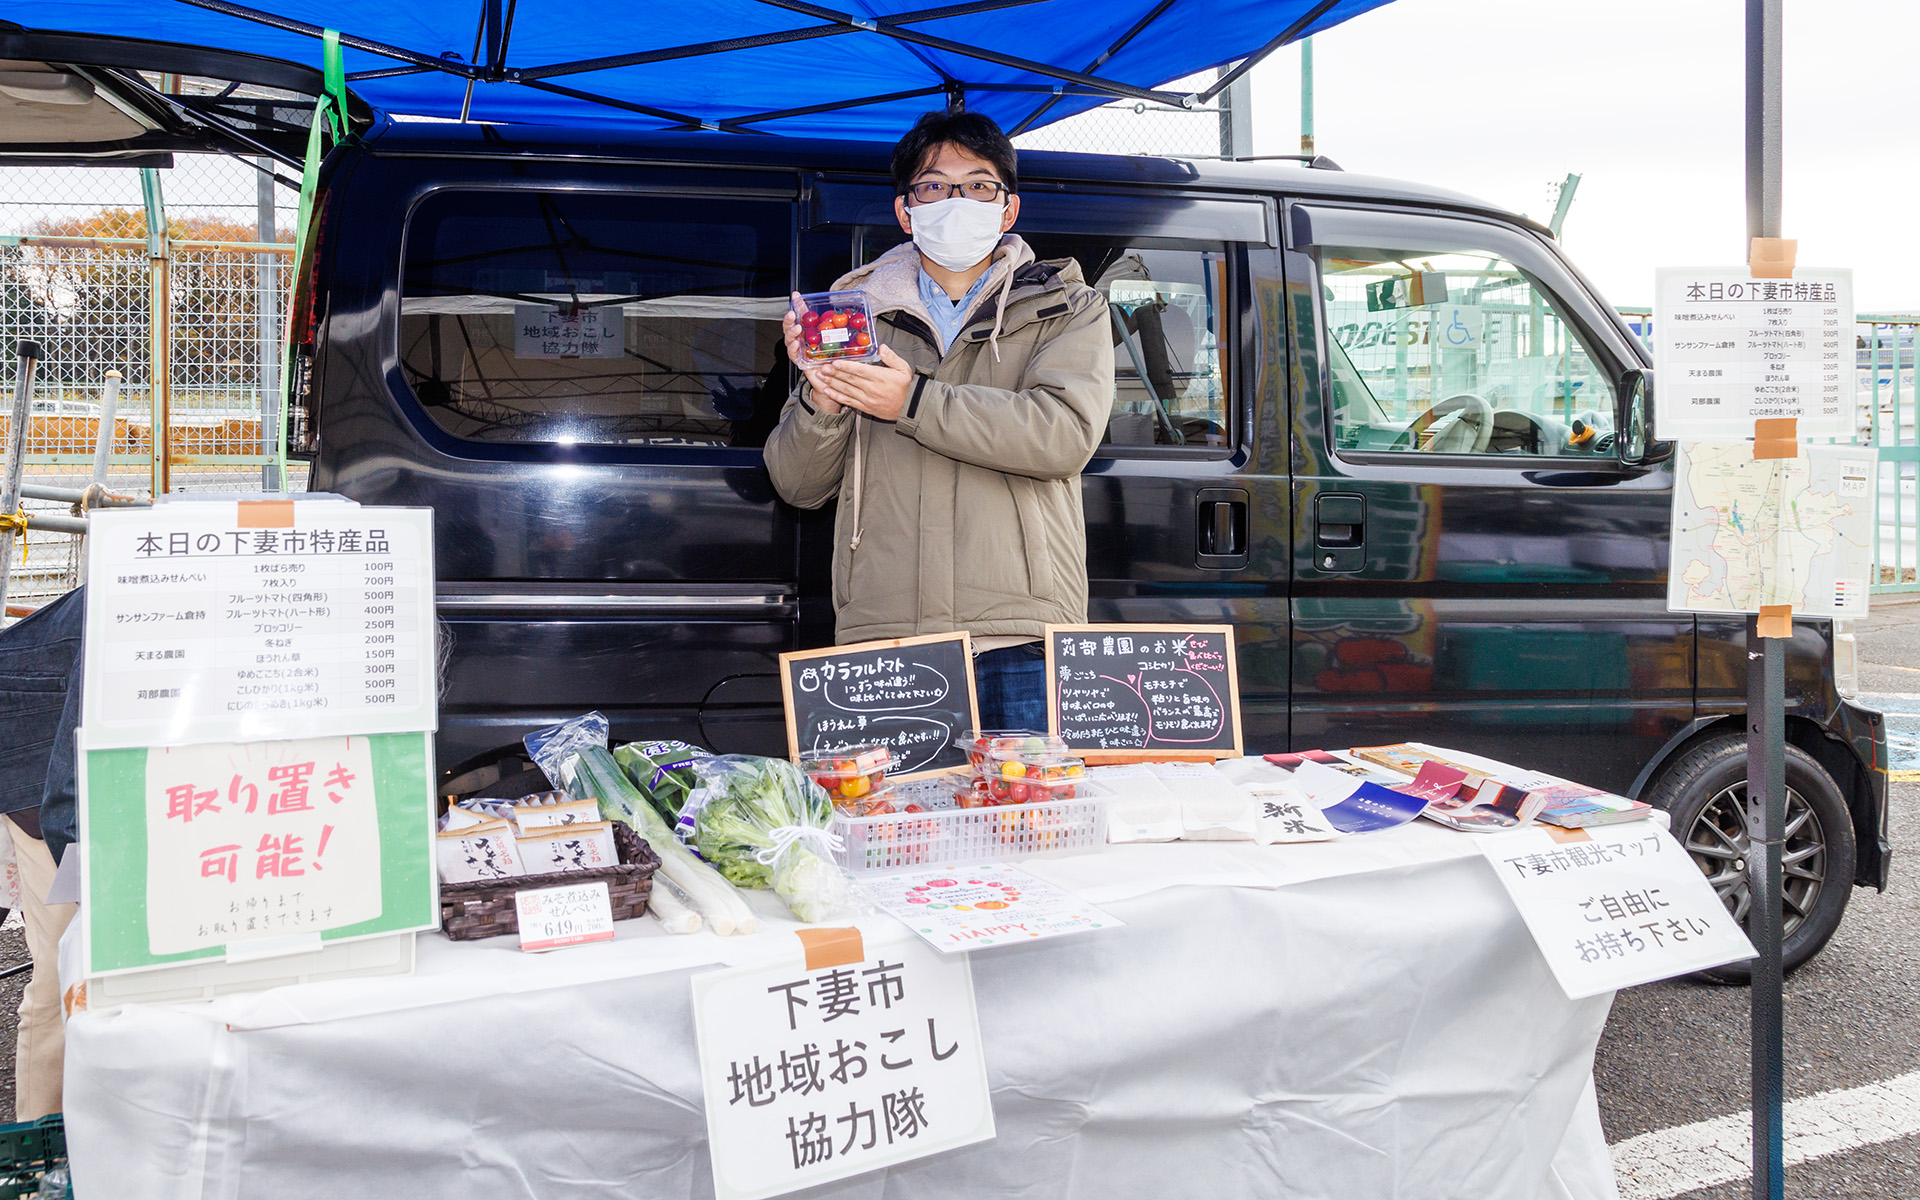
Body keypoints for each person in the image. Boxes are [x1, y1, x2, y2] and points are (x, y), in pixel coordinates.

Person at [763, 110, 1114, 731]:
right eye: (934, 186)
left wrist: (913, 401)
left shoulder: (1067, 306)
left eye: (978, 185)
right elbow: (798, 484)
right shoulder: (854, 316)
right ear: (906, 211)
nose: (957, 201)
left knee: (1024, 795)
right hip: (885, 634)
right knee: (893, 800)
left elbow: (1062, 435)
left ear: (1007, 209)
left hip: (1020, 634)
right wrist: (824, 395)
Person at [0, 585, 84, 1120]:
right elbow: (61, 805)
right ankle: (39, 1142)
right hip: (37, 769)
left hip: (85, 763)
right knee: (62, 971)